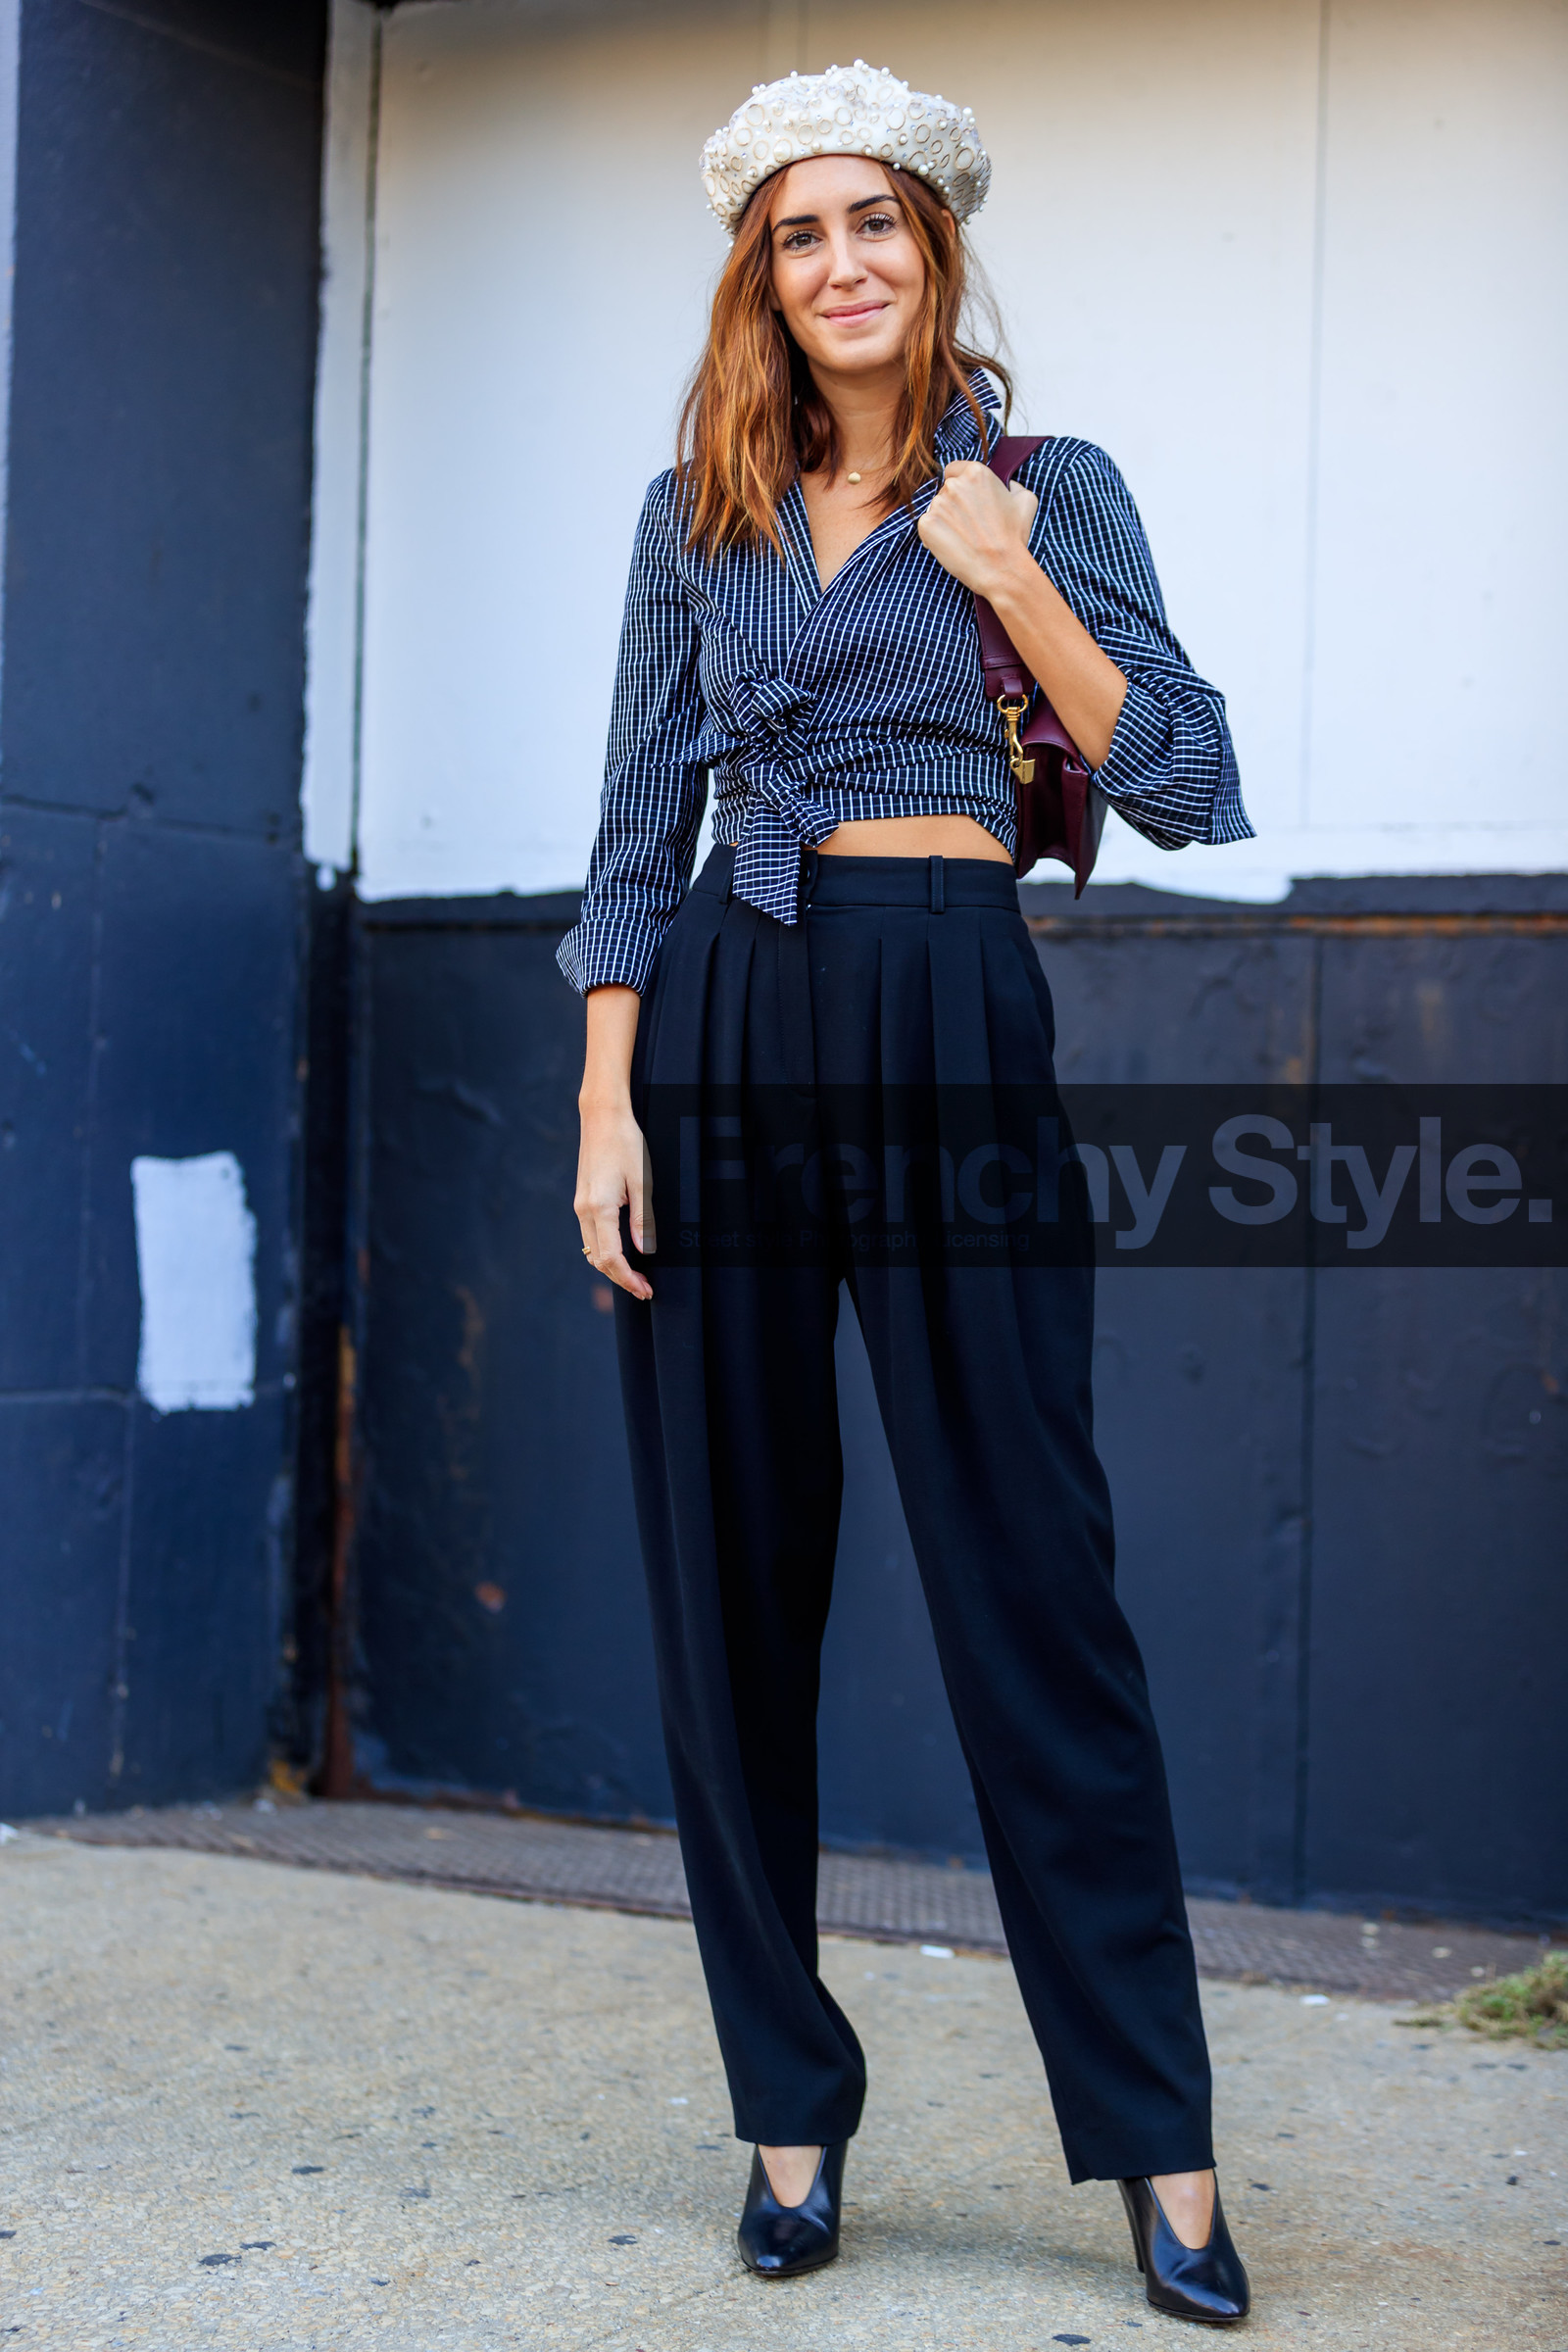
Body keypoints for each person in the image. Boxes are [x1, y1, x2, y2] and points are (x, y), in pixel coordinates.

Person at [560, 60, 1254, 2328]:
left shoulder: (1044, 483)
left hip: (948, 996)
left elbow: (1183, 775)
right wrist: (607, 1102)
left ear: (932, 248)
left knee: (1029, 1582)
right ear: (755, 272)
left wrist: (1008, 576)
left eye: (873, 222)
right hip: (721, 1017)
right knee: (728, 1580)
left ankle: (1159, 2145)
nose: (838, 261)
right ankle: (786, 2114)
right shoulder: (698, 510)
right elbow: (631, 815)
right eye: (794, 231)